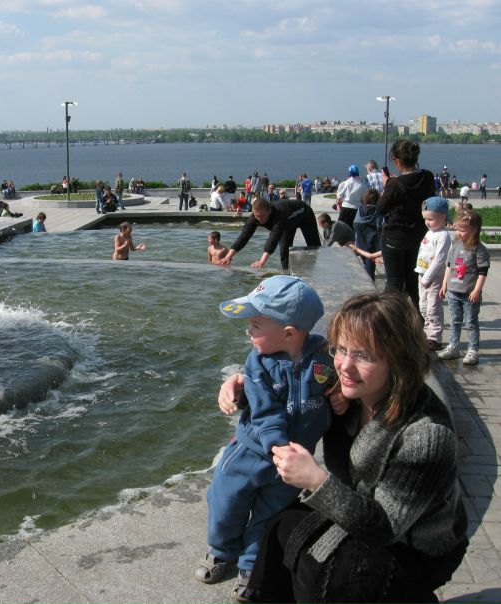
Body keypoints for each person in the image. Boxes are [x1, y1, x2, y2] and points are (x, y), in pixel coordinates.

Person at [221, 291, 468, 604]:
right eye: (339, 350)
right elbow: (291, 388)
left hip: (415, 547)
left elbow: (385, 527)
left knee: (326, 575)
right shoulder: (347, 394)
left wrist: (315, 481)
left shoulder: (426, 435)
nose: (344, 366)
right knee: (279, 528)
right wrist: (244, 387)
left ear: (398, 360)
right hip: (362, 508)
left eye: (364, 356)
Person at [197, 276, 335, 597]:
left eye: (256, 326)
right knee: (225, 502)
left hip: (293, 462)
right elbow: (264, 411)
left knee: (269, 515)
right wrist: (276, 445)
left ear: (288, 333)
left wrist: (339, 391)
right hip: (251, 453)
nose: (249, 332)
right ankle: (222, 549)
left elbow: (335, 380)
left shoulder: (324, 356)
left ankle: (251, 564)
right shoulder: (257, 363)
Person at [377, 139, 436, 309]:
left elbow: (380, 208)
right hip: (418, 236)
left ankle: (392, 321)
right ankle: (420, 319)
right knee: (413, 280)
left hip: (395, 237)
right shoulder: (427, 177)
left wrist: (388, 184)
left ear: (396, 160)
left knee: (394, 283)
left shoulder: (394, 184)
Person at [438, 210, 490, 365]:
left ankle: (473, 350)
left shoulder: (479, 250)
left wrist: (476, 290)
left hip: (469, 294)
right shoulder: (455, 245)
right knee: (454, 320)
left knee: (471, 322)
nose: (458, 232)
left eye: (462, 230)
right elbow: (449, 266)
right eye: (457, 229)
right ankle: (454, 346)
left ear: (474, 231)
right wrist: (445, 283)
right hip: (454, 291)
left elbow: (482, 273)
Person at [218, 198, 322, 270]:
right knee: (284, 252)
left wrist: (261, 261)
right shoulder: (255, 217)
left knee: (314, 246)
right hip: (287, 224)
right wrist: (228, 257)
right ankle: (287, 275)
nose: (259, 219)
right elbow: (244, 236)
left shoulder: (279, 214)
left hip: (304, 215)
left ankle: (318, 269)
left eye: (262, 216)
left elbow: (273, 238)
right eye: (256, 216)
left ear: (269, 211)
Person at [415, 197, 451, 351]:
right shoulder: (430, 232)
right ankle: (427, 331)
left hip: (434, 277)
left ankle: (435, 337)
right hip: (422, 274)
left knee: (433, 307)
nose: (427, 222)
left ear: (443, 217)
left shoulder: (443, 235)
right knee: (423, 305)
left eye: (431, 219)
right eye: (425, 219)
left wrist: (428, 277)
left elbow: (440, 259)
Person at [352, 188, 381, 280]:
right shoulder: (378, 212)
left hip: (360, 242)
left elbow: (355, 224)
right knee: (370, 263)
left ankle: (368, 277)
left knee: (366, 261)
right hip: (372, 242)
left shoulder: (360, 210)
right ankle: (370, 283)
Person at [334, 165, 364, 229]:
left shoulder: (348, 182)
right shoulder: (362, 184)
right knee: (354, 228)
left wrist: (338, 202)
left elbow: (340, 194)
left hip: (346, 207)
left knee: (341, 228)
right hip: (357, 208)